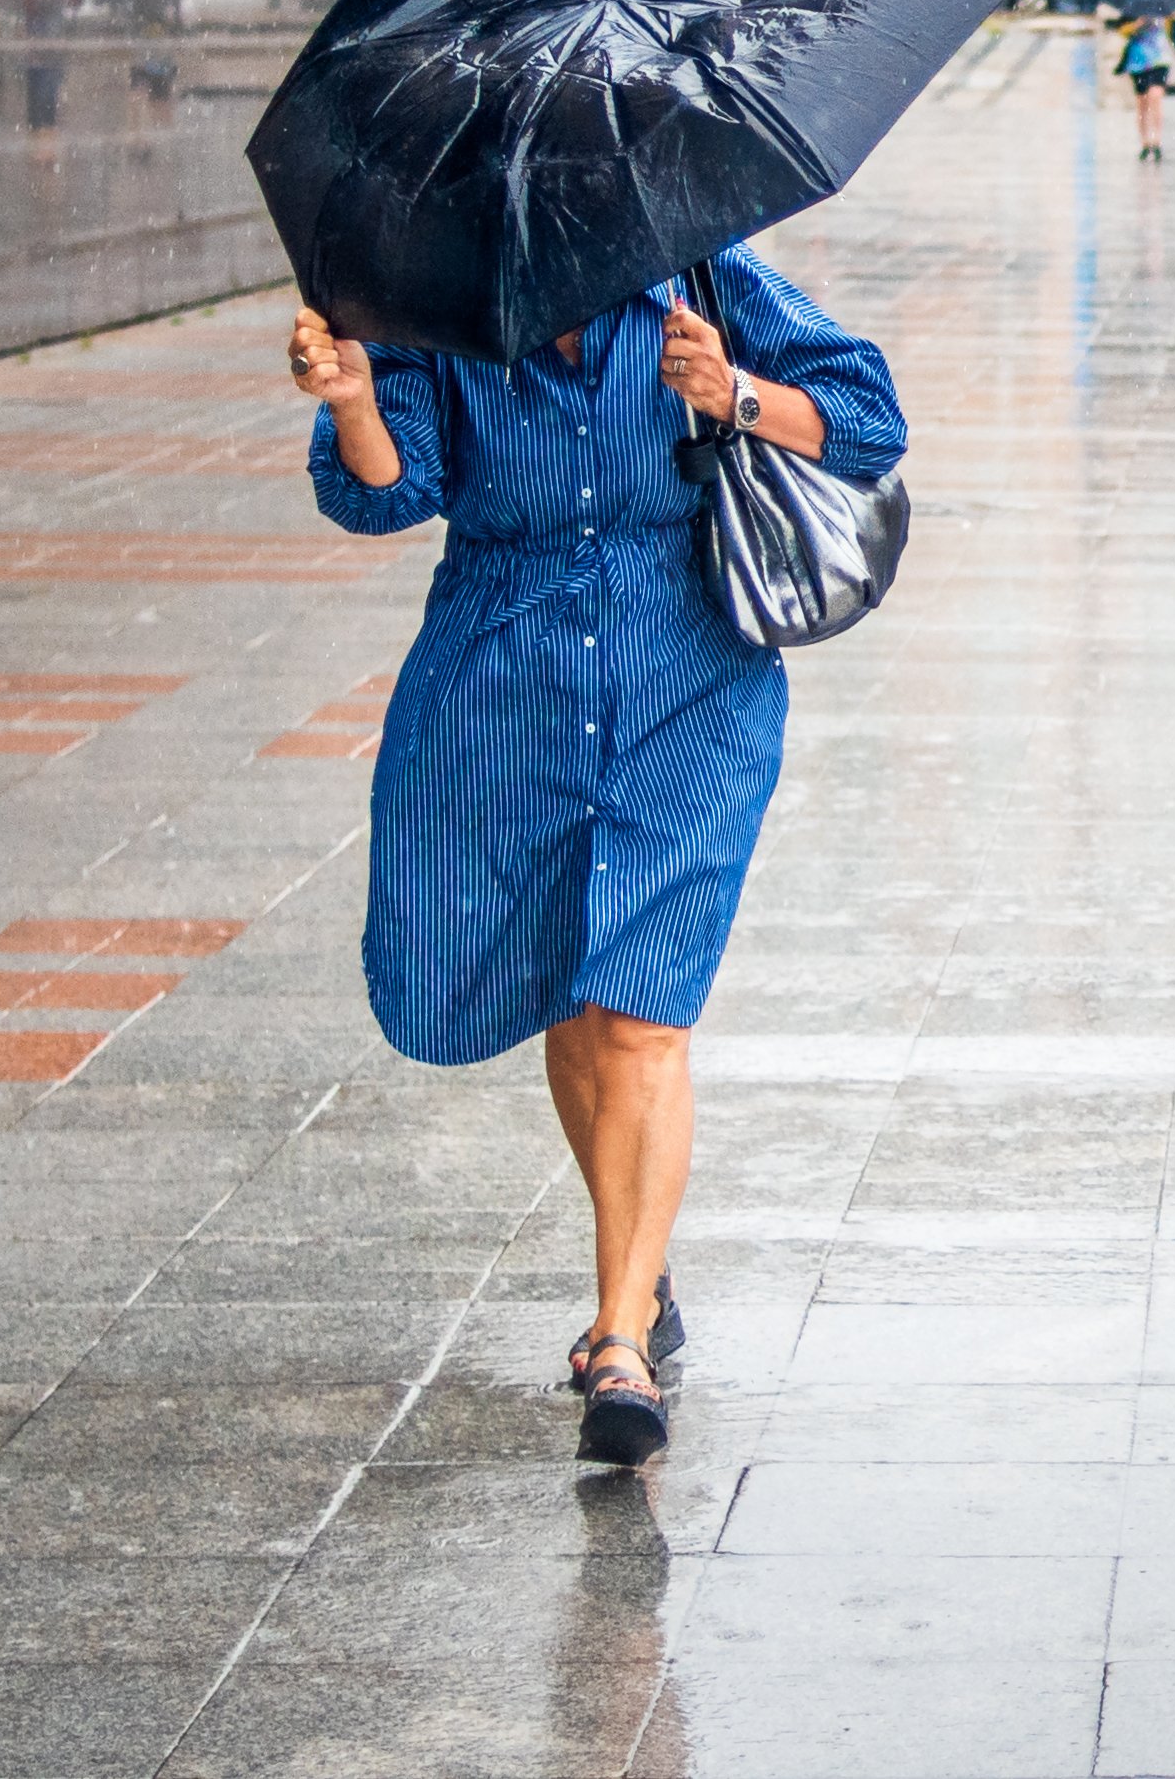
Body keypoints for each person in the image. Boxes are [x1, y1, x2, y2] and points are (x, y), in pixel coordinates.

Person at [284, 257, 903, 1467]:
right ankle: (642, 1259)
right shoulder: (434, 305)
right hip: (500, 685)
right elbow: (384, 492)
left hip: (693, 677)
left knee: (640, 1013)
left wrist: (734, 392)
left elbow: (870, 418)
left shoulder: (702, 277)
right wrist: (354, 396)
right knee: (576, 991)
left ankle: (620, 1336)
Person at [1113, 4, 1175, 163]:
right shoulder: (1131, 10)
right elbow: (1121, 30)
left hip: (1160, 60)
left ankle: (1156, 140)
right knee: (1142, 101)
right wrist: (1137, 24)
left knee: (1155, 96)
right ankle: (1145, 142)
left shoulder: (1166, 11)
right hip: (1138, 61)